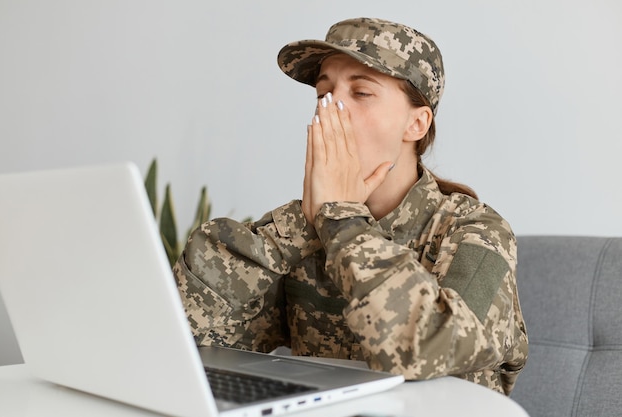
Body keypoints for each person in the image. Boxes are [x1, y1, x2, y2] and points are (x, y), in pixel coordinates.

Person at [173, 17, 528, 395]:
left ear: (417, 124)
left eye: (361, 93)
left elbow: (426, 348)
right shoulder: (306, 228)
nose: (331, 108)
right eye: (323, 94)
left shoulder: (478, 232)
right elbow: (187, 334)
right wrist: (304, 225)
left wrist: (342, 217)